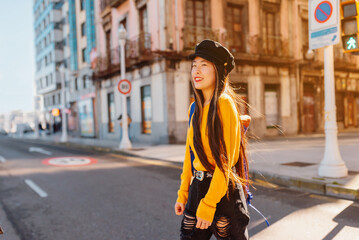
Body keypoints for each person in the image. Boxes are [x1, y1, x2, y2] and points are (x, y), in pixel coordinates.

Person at [174, 40, 251, 240]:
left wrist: (209, 204)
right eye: (194, 65)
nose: (196, 71)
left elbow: (225, 162)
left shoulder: (225, 104)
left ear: (218, 71)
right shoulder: (195, 108)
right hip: (197, 188)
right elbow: (189, 155)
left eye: (204, 65)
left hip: (223, 192)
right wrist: (183, 193)